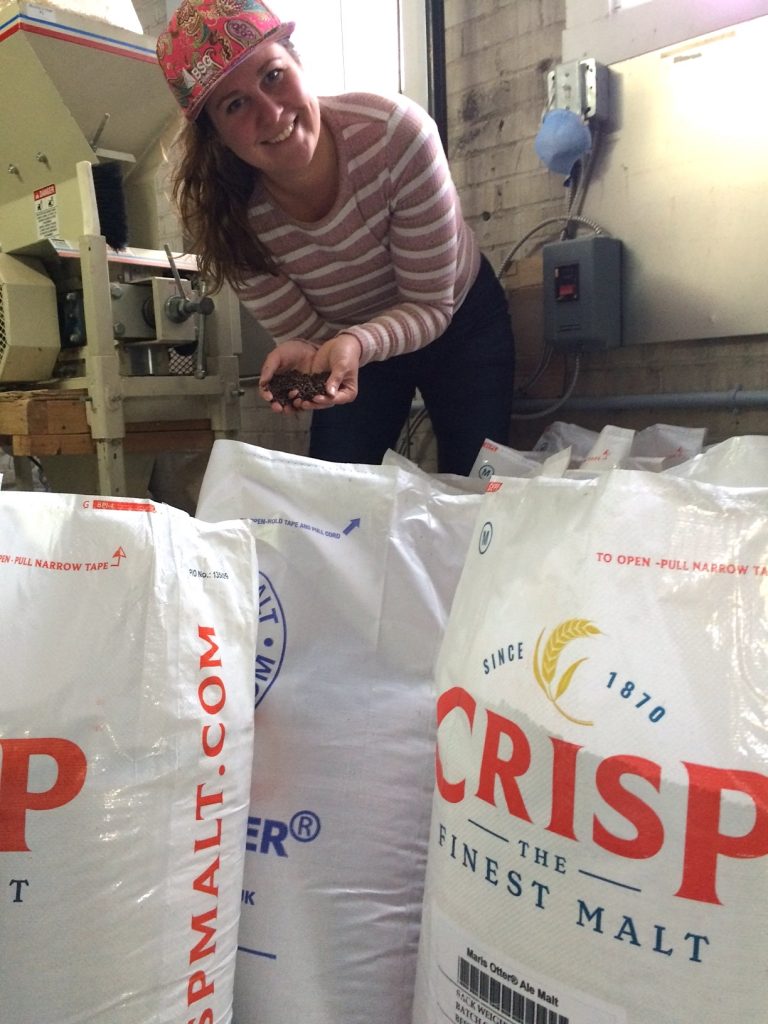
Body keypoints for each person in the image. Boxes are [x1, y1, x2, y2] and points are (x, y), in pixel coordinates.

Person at [157, 0, 515, 475]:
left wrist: (355, 343)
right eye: (235, 104)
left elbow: (430, 306)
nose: (272, 113)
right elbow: (309, 337)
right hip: (348, 344)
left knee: (475, 485)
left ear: (299, 63)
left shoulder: (397, 136)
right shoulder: (228, 221)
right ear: (216, 135)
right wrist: (306, 353)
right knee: (335, 488)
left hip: (458, 319)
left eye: (273, 75)